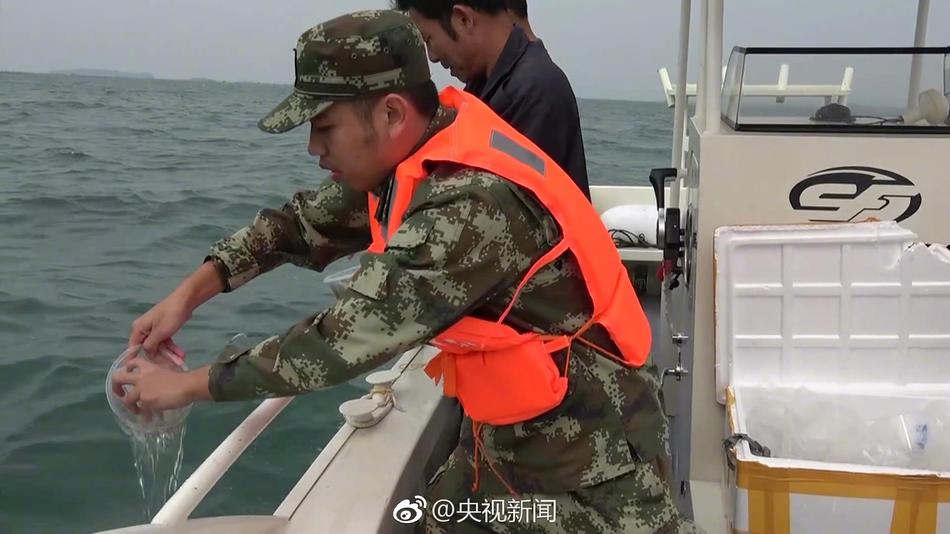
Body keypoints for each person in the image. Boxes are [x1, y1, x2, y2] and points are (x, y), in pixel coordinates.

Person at [114, 9, 698, 533]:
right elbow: (299, 225)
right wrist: (189, 293)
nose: (314, 148)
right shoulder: (417, 152)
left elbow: (340, 341)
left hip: (593, 462)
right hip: (508, 435)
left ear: (391, 113)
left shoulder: (468, 202)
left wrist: (186, 387)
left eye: (324, 127)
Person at [394, 0, 591, 200]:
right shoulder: (484, 83)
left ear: (463, 19)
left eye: (428, 40)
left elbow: (500, 202)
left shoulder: (533, 90)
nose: (432, 57)